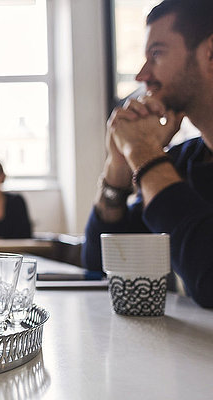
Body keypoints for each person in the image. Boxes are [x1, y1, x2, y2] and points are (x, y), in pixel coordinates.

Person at [82, 0, 213, 307]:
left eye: (157, 54)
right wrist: (118, 169)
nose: (142, 75)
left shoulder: (160, 165)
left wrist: (141, 151)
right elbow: (100, 269)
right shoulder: (181, 163)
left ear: (210, 54)